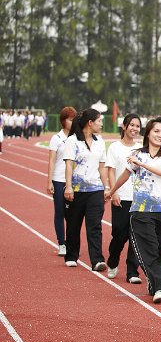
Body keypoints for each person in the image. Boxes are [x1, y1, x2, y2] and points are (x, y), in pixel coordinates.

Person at [107, 117, 161, 304]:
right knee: (150, 249)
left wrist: (141, 165)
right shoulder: (137, 154)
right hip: (141, 210)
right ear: (148, 133)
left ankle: (154, 282)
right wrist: (111, 191)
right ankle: (159, 288)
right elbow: (125, 174)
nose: (160, 135)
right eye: (156, 131)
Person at [62, 108, 108, 271]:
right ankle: (71, 255)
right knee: (74, 225)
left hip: (95, 190)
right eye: (99, 121)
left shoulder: (100, 142)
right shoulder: (72, 141)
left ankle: (97, 260)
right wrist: (68, 186)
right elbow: (68, 165)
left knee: (94, 225)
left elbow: (102, 168)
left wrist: (106, 187)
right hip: (76, 189)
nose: (102, 124)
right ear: (90, 123)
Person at [104, 113, 143, 282]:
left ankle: (132, 272)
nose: (134, 129)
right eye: (132, 125)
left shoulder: (141, 148)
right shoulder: (114, 147)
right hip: (121, 196)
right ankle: (113, 261)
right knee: (119, 234)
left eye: (137, 126)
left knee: (135, 235)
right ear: (124, 126)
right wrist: (114, 192)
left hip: (138, 198)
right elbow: (111, 170)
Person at [46, 107, 77, 257]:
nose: (72, 122)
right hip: (59, 179)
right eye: (70, 119)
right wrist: (49, 182)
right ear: (63, 120)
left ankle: (71, 242)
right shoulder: (56, 139)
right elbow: (52, 161)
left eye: (74, 119)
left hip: (74, 180)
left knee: (72, 214)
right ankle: (62, 243)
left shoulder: (78, 138)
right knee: (60, 212)